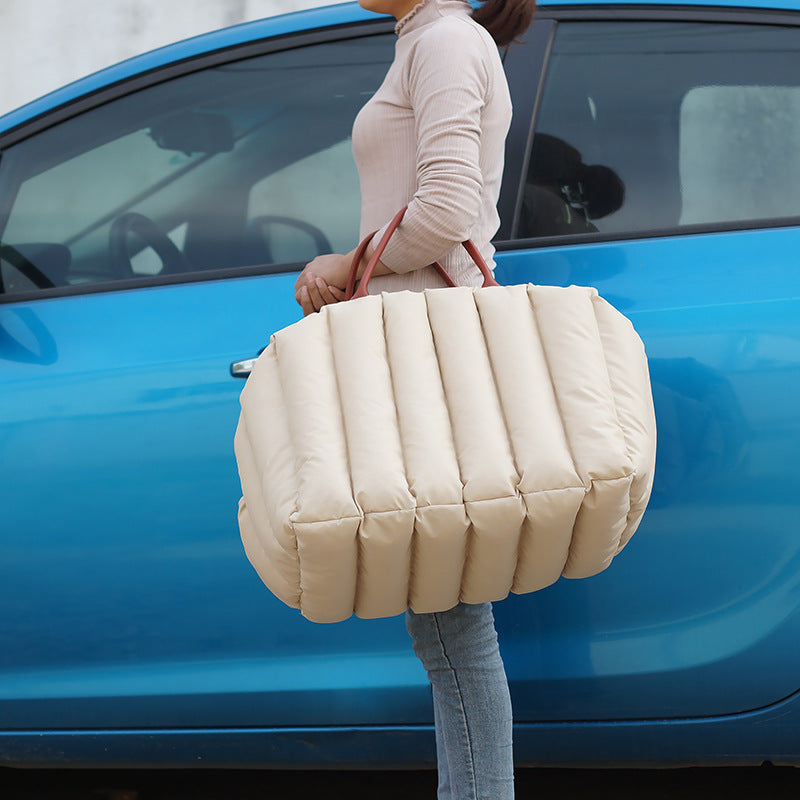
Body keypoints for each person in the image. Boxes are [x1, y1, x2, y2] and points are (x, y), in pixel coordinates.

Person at [293, 0, 535, 796]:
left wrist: (345, 260)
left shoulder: (444, 40)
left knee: (451, 621)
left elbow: (446, 209)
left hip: (429, 351)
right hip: (418, 342)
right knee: (447, 622)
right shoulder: (427, 42)